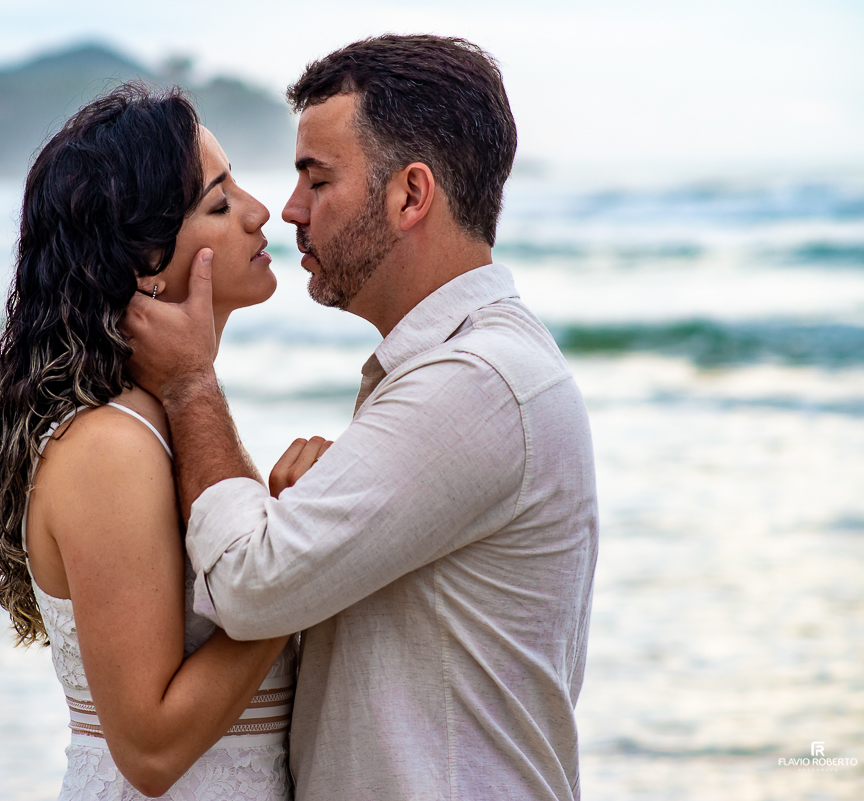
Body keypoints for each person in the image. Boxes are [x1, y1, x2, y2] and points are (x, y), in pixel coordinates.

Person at [122, 35, 599, 801]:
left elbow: (250, 586)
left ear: (410, 195)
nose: (289, 209)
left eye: (317, 179)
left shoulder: (477, 382)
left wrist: (190, 386)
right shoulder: (455, 369)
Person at [0, 84, 316, 800]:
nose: (260, 212)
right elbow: (151, 749)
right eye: (219, 204)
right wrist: (298, 561)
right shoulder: (112, 448)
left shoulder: (160, 424)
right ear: (145, 264)